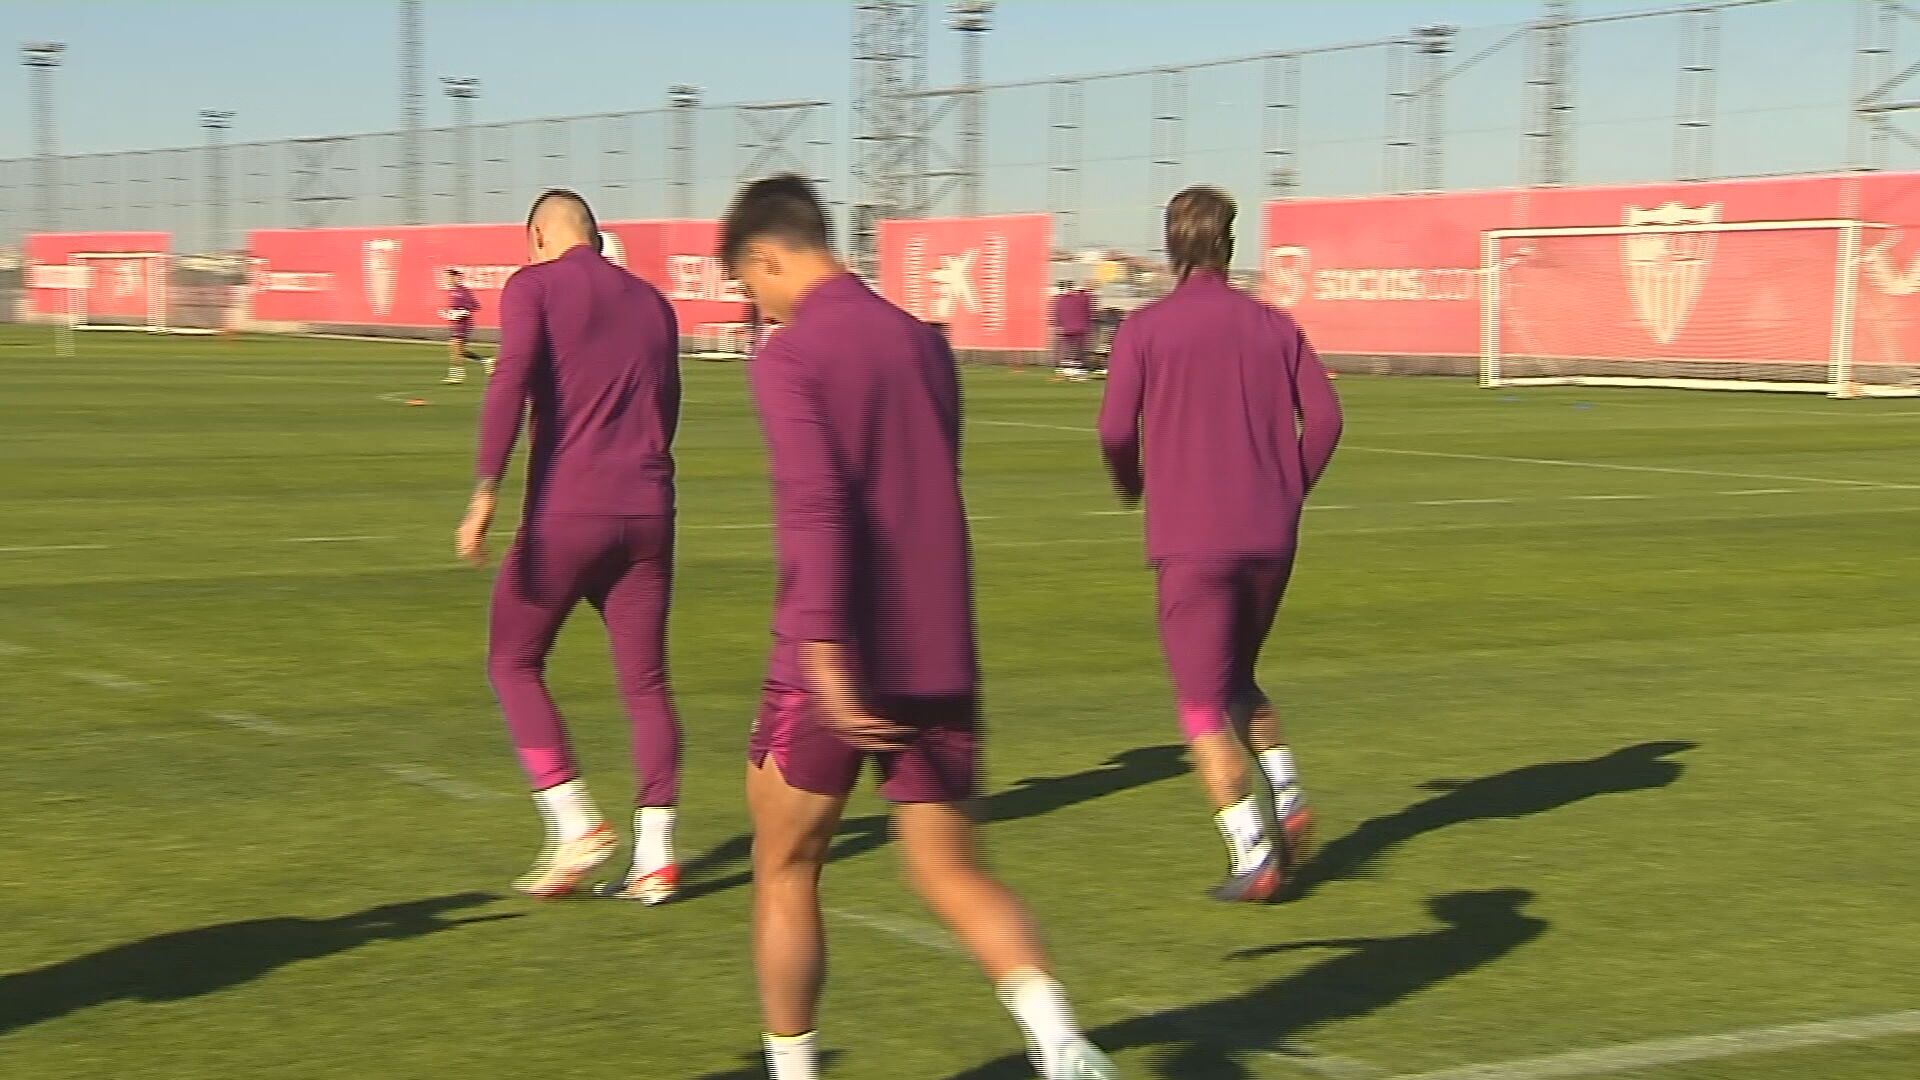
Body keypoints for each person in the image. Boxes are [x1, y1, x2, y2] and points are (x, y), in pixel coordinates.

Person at [720, 174, 1115, 1080]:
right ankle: (1062, 1043)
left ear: (766, 258)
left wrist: (820, 646)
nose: (757, 305)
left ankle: (793, 1070)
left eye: (750, 286)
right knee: (950, 869)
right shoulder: (921, 344)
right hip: (938, 646)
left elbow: (816, 502)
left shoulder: (788, 356)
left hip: (834, 653)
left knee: (784, 866)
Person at [1096, 185, 1343, 902]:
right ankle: (1289, 795)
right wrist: (1285, 490)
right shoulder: (1275, 327)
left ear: (1172, 248)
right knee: (1236, 676)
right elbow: (1325, 421)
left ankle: (1251, 850)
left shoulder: (1146, 330)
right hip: (1271, 538)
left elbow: (1114, 431)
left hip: (1193, 541)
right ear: (1230, 246)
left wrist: (1131, 480)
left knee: (1199, 705)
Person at [456, 189, 685, 904]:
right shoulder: (654, 304)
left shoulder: (535, 286)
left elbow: (512, 383)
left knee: (512, 659)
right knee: (646, 685)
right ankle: (656, 857)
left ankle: (574, 818)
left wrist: (486, 489)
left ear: (537, 236)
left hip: (568, 512)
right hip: (649, 510)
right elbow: (668, 404)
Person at [440, 268, 492, 384]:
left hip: (464, 324)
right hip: (456, 323)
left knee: (455, 349)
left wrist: (461, 312)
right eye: (446, 277)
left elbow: (475, 306)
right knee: (459, 350)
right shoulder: (452, 291)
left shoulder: (463, 290)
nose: (447, 279)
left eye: (448, 277)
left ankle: (456, 375)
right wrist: (449, 313)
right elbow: (456, 308)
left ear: (455, 277)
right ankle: (485, 361)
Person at [1051, 281, 1094, 381]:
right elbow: (1089, 311)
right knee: (1079, 351)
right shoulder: (1083, 298)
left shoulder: (1059, 299)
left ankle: (1067, 370)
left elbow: (1057, 314)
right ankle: (1078, 371)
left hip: (1066, 328)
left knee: (1068, 350)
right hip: (1081, 328)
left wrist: (1058, 326)